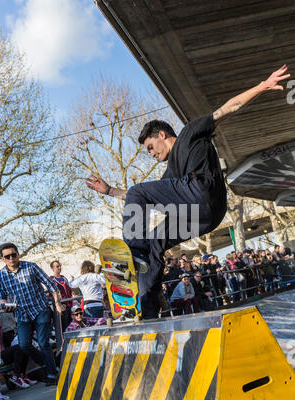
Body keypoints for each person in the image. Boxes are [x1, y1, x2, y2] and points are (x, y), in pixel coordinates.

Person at [86, 65, 290, 318]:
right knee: (156, 243)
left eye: (151, 147)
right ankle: (144, 307)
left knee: (141, 204)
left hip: (201, 193)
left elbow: (228, 108)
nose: (152, 154)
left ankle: (135, 252)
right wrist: (109, 191)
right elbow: (140, 197)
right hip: (204, 217)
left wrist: (262, 85)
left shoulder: (190, 132)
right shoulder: (171, 172)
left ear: (162, 134)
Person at [0, 243, 62, 386]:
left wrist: (57, 303)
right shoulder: (0, 276)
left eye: (14, 254)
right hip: (21, 315)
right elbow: (1, 297)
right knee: (24, 345)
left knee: (43, 342)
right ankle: (48, 362)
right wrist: (3, 305)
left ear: (18, 254)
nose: (11, 258)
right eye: (8, 256)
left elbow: (51, 285)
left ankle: (51, 375)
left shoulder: (31, 267)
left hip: (40, 310)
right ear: (3, 259)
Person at [50, 260, 73, 331]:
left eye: (60, 266)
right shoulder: (51, 280)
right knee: (64, 328)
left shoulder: (64, 278)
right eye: (57, 266)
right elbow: (51, 294)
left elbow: (69, 291)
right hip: (62, 307)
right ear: (52, 268)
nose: (59, 268)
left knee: (71, 326)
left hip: (70, 305)